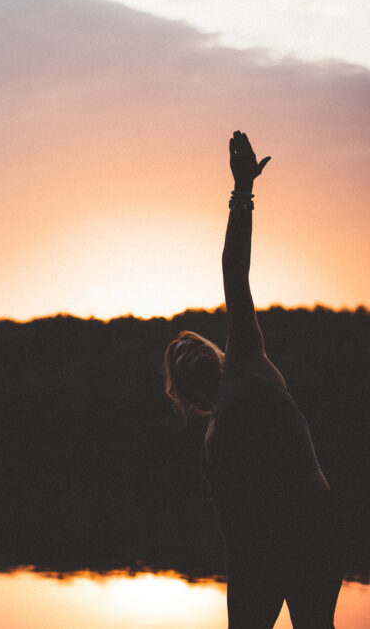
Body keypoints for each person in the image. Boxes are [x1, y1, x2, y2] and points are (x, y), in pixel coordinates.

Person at [164, 131, 344, 628]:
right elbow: (228, 525)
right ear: (184, 394)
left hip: (311, 528)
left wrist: (242, 191)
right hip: (253, 556)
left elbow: (233, 270)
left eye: (192, 343)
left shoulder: (247, 361)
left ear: (217, 353)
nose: (186, 349)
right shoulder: (212, 441)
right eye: (177, 356)